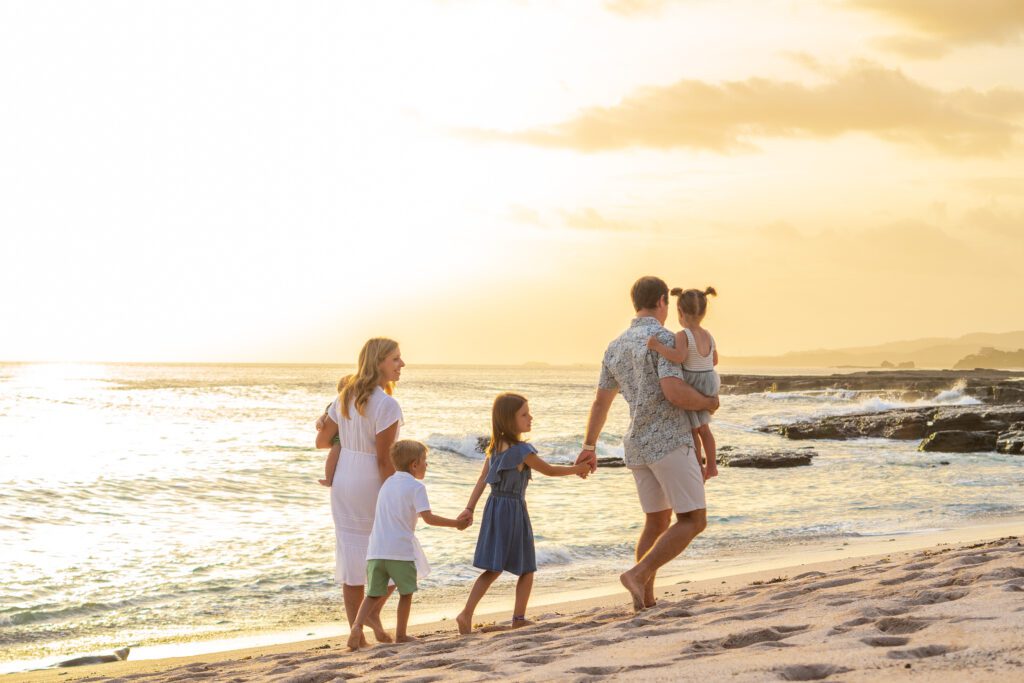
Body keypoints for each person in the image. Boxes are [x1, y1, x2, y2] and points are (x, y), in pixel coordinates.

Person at [575, 276, 719, 612]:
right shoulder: (665, 338)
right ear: (661, 301)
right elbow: (674, 392)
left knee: (656, 523)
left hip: (637, 446)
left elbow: (601, 403)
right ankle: (638, 574)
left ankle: (646, 600)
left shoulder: (615, 346)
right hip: (669, 441)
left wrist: (590, 445)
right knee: (694, 520)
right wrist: (708, 402)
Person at [455, 393, 591, 634]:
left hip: (494, 507)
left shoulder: (494, 448)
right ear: (509, 419)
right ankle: (518, 618)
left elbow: (482, 480)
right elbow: (548, 470)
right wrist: (577, 469)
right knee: (527, 566)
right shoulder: (522, 451)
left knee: (493, 567)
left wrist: (469, 508)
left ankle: (466, 614)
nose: (531, 418)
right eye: (524, 414)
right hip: (513, 509)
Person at [315, 338, 408, 646]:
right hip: (370, 482)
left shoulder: (344, 395)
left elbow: (322, 441)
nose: (401, 364)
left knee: (352, 555)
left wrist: (347, 438)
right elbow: (384, 459)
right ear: (379, 362)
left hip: (344, 481)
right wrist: (396, 494)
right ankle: (368, 616)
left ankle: (358, 635)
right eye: (395, 359)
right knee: (396, 552)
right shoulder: (387, 404)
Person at [346, 440, 469, 650]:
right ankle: (401, 634)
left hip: (375, 551)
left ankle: (356, 627)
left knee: (373, 594)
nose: (426, 466)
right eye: (425, 461)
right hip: (400, 551)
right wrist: (456, 524)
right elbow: (428, 518)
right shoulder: (416, 487)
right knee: (406, 592)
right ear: (414, 464)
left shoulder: (387, 484)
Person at [647, 287, 720, 480]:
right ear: (704, 313)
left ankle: (698, 467)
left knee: (694, 430)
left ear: (679, 312)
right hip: (709, 380)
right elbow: (714, 360)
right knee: (705, 429)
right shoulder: (708, 335)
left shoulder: (683, 335)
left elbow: (679, 357)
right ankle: (712, 466)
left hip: (693, 382)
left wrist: (657, 347)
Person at [319, 374, 353, 487]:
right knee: (334, 453)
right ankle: (328, 478)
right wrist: (319, 422)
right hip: (339, 436)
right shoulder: (335, 404)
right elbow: (324, 416)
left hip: (352, 438)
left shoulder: (357, 404)